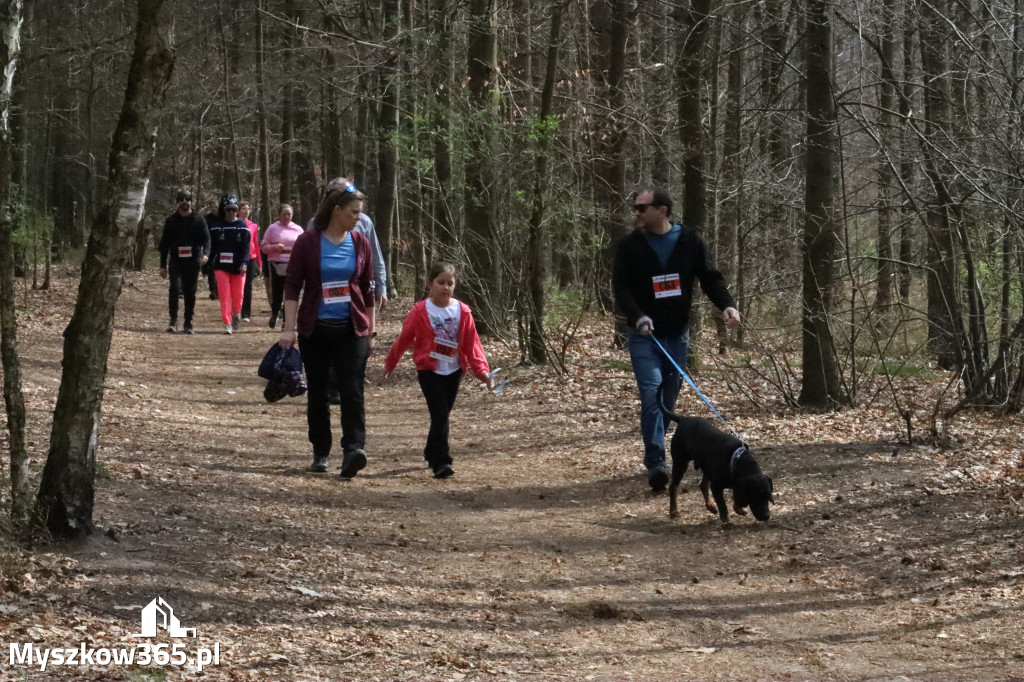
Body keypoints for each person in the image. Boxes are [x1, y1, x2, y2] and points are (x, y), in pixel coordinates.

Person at [611, 188, 741, 492]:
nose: (637, 213)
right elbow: (621, 287)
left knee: (667, 402)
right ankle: (656, 462)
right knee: (652, 395)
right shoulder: (630, 246)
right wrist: (638, 316)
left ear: (663, 210)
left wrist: (727, 305)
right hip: (644, 336)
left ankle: (657, 447)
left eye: (642, 208)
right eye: (635, 208)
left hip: (677, 336)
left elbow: (710, 277)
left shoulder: (689, 241)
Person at [279, 186, 376, 478]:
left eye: (360, 213)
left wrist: (371, 328)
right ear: (337, 211)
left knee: (352, 388)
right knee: (319, 392)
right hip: (316, 328)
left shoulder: (361, 243)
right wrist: (288, 329)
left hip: (352, 327)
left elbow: (369, 289)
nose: (358, 219)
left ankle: (354, 449)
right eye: (354, 212)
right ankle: (321, 451)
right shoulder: (307, 242)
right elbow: (293, 286)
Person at [383, 264, 495, 479]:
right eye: (440, 282)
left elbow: (473, 345)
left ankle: (430, 451)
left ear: (455, 286)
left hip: (453, 370)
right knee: (440, 414)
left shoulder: (463, 311)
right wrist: (390, 363)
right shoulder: (420, 311)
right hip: (429, 370)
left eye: (450, 283)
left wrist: (483, 372)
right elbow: (404, 338)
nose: (445, 287)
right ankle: (442, 461)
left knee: (441, 416)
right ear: (430, 284)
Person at [307, 177, 388, 308]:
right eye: (341, 194)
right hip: (323, 294)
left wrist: (381, 287)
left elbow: (375, 256)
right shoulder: (314, 224)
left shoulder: (364, 222)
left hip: (357, 289)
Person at [158, 190, 210, 334]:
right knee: (174, 288)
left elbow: (207, 239)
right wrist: (162, 265)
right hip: (176, 260)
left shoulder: (199, 219)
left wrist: (205, 254)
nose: (184, 202)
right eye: (181, 199)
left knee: (190, 291)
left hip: (193, 261)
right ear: (177, 202)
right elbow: (164, 244)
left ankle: (188, 322)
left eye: (187, 199)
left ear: (191, 202)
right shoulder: (171, 220)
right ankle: (173, 320)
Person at [208, 194, 251, 334]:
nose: (231, 212)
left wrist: (245, 263)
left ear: (237, 210)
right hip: (221, 266)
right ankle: (227, 323)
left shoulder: (243, 227)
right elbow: (211, 248)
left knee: (238, 295)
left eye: (234, 209)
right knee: (224, 294)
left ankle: (236, 313)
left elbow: (246, 247)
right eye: (228, 210)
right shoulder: (216, 227)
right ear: (224, 210)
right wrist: (208, 263)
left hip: (238, 266)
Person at [260, 204, 304, 329]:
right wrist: (274, 247)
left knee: (290, 294)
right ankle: (275, 313)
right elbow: (263, 247)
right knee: (277, 293)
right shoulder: (273, 228)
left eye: (289, 214)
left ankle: (287, 321)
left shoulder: (298, 229)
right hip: (276, 265)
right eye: (284, 214)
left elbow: (304, 247)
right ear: (279, 215)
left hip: (293, 265)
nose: (287, 216)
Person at [237, 201, 263, 323]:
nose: (246, 211)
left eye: (248, 209)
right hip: (237, 258)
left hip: (251, 258)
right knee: (237, 286)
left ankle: (246, 313)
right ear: (238, 211)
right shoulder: (234, 224)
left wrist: (259, 262)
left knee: (248, 286)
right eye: (243, 209)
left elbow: (256, 244)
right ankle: (236, 310)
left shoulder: (253, 225)